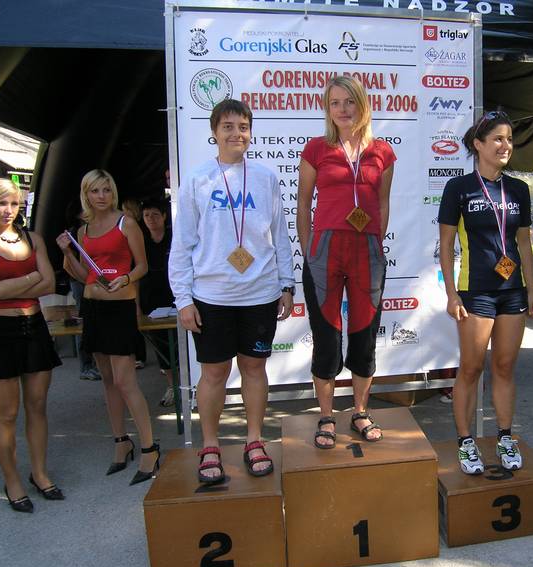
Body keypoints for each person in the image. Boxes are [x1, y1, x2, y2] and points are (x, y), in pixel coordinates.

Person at [169, 98, 294, 483]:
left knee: (254, 369)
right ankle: (210, 445)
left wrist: (287, 283)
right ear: (214, 132)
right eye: (227, 127)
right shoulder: (197, 179)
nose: (236, 133)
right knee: (214, 373)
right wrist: (183, 299)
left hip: (260, 294)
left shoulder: (266, 178)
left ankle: (254, 440)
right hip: (212, 296)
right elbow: (182, 243)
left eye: (243, 126)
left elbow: (280, 234)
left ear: (250, 132)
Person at [296, 76, 395, 449]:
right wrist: (309, 249)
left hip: (366, 252)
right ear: (327, 108)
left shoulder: (383, 152)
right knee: (326, 336)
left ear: (362, 104)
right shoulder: (315, 149)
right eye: (335, 103)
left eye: (349, 101)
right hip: (325, 252)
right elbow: (303, 202)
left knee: (365, 335)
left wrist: (376, 243)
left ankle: (360, 411)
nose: (343, 109)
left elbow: (382, 203)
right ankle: (326, 416)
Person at [437, 110, 533, 475]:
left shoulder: (519, 189)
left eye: (509, 139)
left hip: (512, 291)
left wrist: (531, 289)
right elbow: (446, 244)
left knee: (505, 367)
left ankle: (505, 437)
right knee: (471, 368)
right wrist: (452, 294)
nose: (505, 145)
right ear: (478, 145)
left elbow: (523, 243)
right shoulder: (458, 188)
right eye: (497, 139)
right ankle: (466, 441)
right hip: (475, 290)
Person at [56, 169, 160, 485]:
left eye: (106, 190)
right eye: (94, 191)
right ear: (85, 194)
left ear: (112, 192)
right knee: (108, 380)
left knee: (126, 381)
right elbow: (83, 275)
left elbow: (142, 266)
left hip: (120, 308)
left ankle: (149, 448)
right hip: (93, 307)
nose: (101, 196)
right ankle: (120, 441)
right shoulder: (83, 230)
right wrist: (67, 252)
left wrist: (125, 278)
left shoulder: (126, 223)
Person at [0, 178, 64, 512]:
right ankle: (12, 480)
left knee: (38, 405)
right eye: (1, 203)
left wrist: (15, 285)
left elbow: (50, 283)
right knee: (6, 412)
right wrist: (31, 278)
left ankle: (40, 473)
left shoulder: (34, 239)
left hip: (34, 325)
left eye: (14, 203)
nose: (8, 210)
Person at [138, 198, 176, 407]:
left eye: (155, 214)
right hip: (151, 300)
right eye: (146, 215)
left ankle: (192, 385)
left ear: (164, 216)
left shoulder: (175, 236)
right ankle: (172, 386)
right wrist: (136, 305)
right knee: (161, 345)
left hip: (176, 297)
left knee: (183, 343)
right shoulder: (140, 241)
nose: (151, 219)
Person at [64, 201, 100, 381]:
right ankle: (86, 366)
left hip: (96, 283)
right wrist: (85, 280)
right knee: (85, 323)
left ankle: (96, 364)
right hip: (81, 283)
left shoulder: (95, 228)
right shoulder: (75, 232)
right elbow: (67, 264)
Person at [121, 196, 147, 369]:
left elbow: (140, 265)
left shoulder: (133, 228)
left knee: (137, 319)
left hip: (135, 280)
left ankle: (139, 355)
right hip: (129, 281)